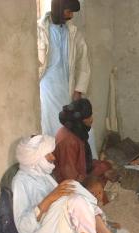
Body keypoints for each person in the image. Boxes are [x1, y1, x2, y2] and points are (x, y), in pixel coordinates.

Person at [12, 135, 139, 233]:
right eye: (48, 154)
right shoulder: (20, 182)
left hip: (54, 232)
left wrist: (56, 197)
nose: (53, 157)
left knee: (72, 186)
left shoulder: (43, 176)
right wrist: (49, 199)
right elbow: (23, 228)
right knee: (73, 199)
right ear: (35, 158)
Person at [38, 0, 97, 158]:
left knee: (81, 126)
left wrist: (79, 89)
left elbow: (84, 63)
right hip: (48, 88)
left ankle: (85, 164)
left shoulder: (73, 33)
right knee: (56, 128)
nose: (70, 16)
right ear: (59, 8)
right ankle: (60, 166)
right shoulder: (40, 29)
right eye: (68, 11)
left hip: (68, 86)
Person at [53, 98, 117, 204]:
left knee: (106, 166)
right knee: (99, 179)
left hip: (80, 170)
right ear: (80, 120)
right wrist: (93, 180)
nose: (92, 119)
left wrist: (102, 168)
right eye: (88, 117)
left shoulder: (75, 130)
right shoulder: (68, 141)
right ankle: (96, 202)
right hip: (70, 181)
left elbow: (83, 160)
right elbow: (70, 177)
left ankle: (99, 195)